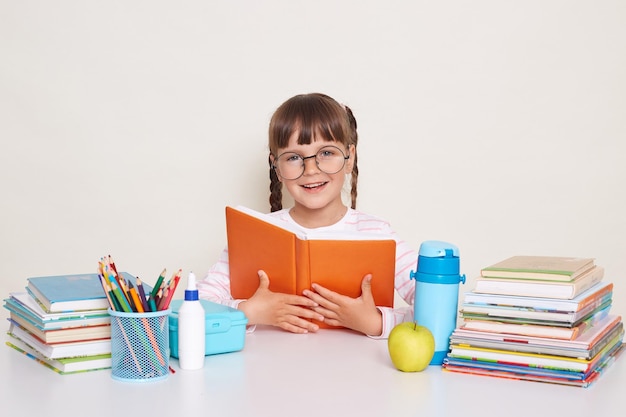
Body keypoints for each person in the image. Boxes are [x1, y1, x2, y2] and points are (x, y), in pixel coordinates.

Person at [197, 93, 417, 338]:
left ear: (349, 157)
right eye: (293, 157)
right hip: (269, 371)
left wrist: (376, 321)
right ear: (276, 167)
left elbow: (434, 309)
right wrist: (248, 311)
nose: (311, 170)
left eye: (326, 153)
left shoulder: (377, 233)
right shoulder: (253, 234)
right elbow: (198, 306)